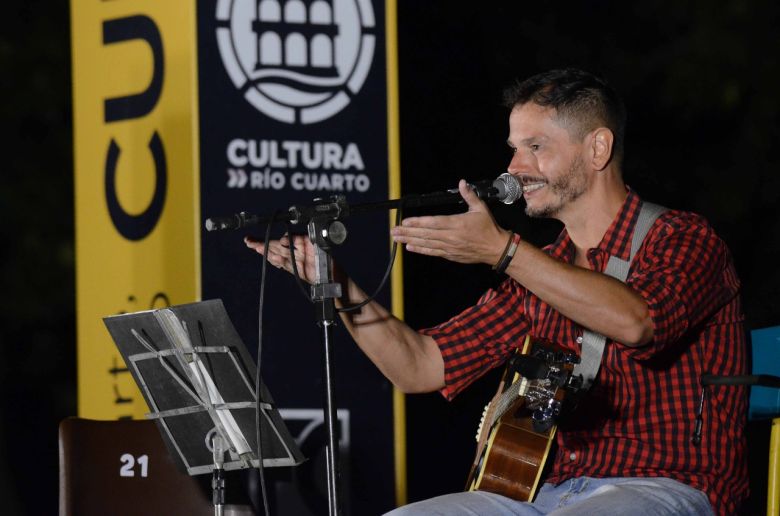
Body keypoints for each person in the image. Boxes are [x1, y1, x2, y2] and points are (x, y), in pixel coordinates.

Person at [245, 68, 748, 515]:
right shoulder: (540, 268)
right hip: (541, 494)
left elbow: (638, 322)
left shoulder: (683, 238)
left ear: (598, 148)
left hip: (666, 488)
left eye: (535, 147)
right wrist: (335, 284)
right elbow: (420, 365)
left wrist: (505, 251)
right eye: (513, 147)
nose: (514, 167)